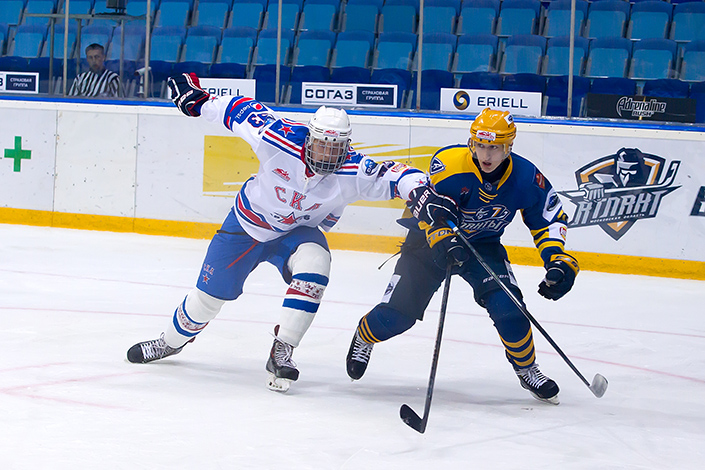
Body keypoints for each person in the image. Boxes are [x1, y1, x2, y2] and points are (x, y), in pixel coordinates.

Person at [125, 73, 455, 393]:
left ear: (346, 147)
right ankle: (170, 342)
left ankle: (282, 349)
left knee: (316, 265)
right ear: (309, 139)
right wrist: (200, 101)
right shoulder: (278, 137)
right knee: (207, 301)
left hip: (297, 233)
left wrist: (422, 193)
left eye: (336, 148)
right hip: (246, 226)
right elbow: (237, 109)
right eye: (322, 146)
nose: (328, 155)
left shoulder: (354, 170)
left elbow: (397, 175)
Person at [345, 108, 580, 405]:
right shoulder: (449, 165)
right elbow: (430, 211)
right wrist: (442, 238)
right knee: (397, 317)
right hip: (427, 245)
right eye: (480, 145)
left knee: (510, 309)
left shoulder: (527, 178)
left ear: (509, 146)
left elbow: (547, 219)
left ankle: (527, 369)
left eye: (494, 147)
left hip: (483, 245)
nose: (486, 154)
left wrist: (557, 258)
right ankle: (364, 336)